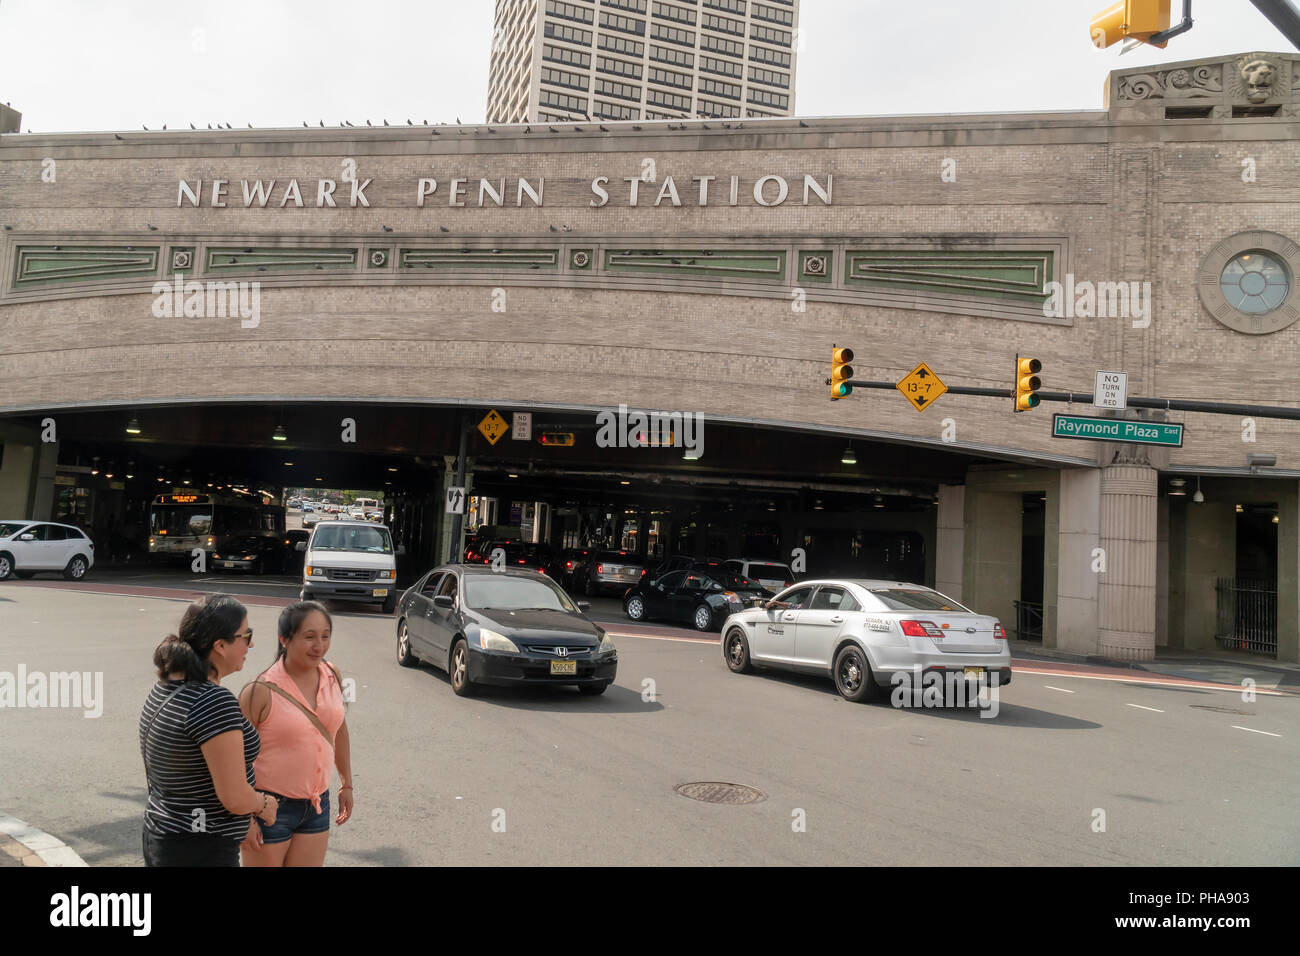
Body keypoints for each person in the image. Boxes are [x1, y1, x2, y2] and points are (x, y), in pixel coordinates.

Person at [140, 593, 279, 867]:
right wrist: (263, 804)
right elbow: (236, 797)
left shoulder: (168, 685)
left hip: (165, 836)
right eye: (246, 636)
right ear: (220, 645)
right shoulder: (212, 701)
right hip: (199, 848)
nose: (251, 645)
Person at [238, 601, 352, 867]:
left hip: (316, 804)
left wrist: (346, 783)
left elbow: (339, 730)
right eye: (309, 637)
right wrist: (244, 818)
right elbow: (235, 760)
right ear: (284, 639)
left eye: (325, 636)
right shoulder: (260, 690)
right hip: (267, 806)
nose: (319, 646)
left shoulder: (333, 674)